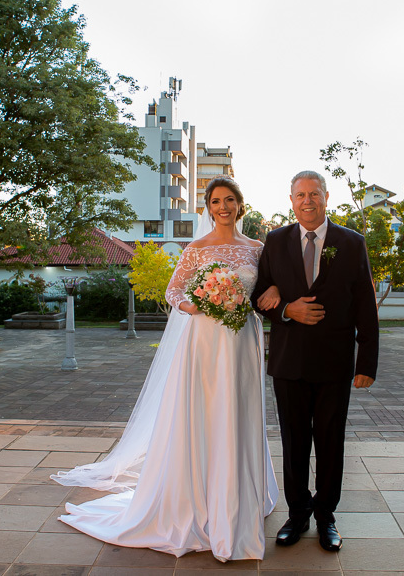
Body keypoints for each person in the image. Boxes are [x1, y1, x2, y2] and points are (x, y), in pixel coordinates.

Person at [52, 176, 280, 562]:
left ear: (241, 205)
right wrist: (200, 303)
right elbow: (174, 291)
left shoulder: (258, 249)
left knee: (238, 413)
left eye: (229, 200)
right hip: (205, 343)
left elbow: (267, 290)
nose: (222, 207)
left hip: (242, 342)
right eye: (215, 201)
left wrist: (271, 293)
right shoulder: (196, 248)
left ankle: (239, 495)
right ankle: (198, 501)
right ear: (207, 207)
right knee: (204, 415)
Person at [251, 170, 379, 552]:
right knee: (293, 442)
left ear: (327, 196)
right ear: (291, 200)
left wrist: (366, 363)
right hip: (289, 362)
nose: (308, 201)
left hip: (335, 363)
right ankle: (297, 514)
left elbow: (365, 305)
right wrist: (287, 308)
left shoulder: (351, 243)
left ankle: (326, 517)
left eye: (314, 194)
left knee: (329, 442)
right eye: (300, 195)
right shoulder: (274, 241)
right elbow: (258, 295)